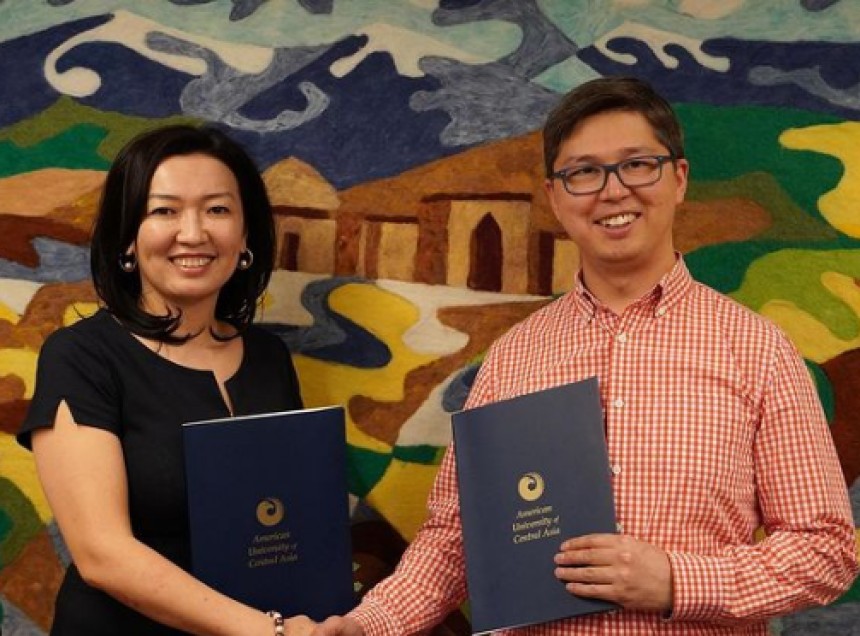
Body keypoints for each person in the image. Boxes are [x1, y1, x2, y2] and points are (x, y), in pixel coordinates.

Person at [312, 77, 859, 635]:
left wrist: (678, 580)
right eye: (584, 172)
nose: (613, 191)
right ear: (555, 197)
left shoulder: (758, 350)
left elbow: (826, 549)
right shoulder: (513, 359)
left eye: (637, 165)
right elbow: (455, 540)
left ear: (679, 178)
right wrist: (366, 626)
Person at [17, 125, 315, 636]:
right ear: (127, 237)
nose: (193, 233)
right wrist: (271, 632)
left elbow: (286, 524)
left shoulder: (270, 357)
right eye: (164, 211)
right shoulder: (81, 357)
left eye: (217, 209)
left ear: (245, 235)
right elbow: (102, 554)